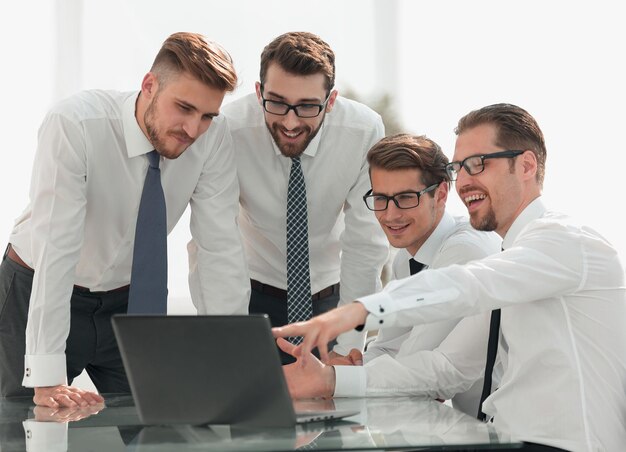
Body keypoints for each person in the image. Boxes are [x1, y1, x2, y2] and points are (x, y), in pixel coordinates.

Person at [274, 103, 626, 452]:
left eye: (479, 164)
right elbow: (449, 368)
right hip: (507, 438)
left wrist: (360, 310)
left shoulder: (565, 241)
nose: (465, 181)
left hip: (566, 444)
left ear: (526, 165)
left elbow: (469, 285)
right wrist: (331, 378)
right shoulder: (514, 261)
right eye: (461, 168)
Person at [0, 32, 250, 408]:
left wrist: (230, 356)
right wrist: (46, 376)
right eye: (183, 108)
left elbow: (219, 248)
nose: (193, 129)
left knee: (154, 422)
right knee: (21, 428)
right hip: (37, 290)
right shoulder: (76, 124)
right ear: (149, 85)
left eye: (208, 116)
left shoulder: (212, 140)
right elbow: (58, 245)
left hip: (131, 301)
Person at [222, 31, 388, 363]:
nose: (290, 121)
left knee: (333, 407)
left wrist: (349, 344)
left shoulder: (364, 131)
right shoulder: (227, 129)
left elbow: (364, 243)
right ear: (258, 92)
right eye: (277, 102)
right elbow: (214, 239)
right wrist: (226, 330)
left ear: (331, 100)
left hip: (330, 300)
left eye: (308, 106)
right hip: (250, 298)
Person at [327, 133, 500, 416]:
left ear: (441, 194)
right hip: (455, 425)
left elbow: (414, 367)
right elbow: (388, 348)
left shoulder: (464, 252)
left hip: (498, 431)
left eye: (406, 198)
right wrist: (347, 368)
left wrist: (337, 378)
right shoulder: (406, 257)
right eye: (381, 199)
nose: (390, 215)